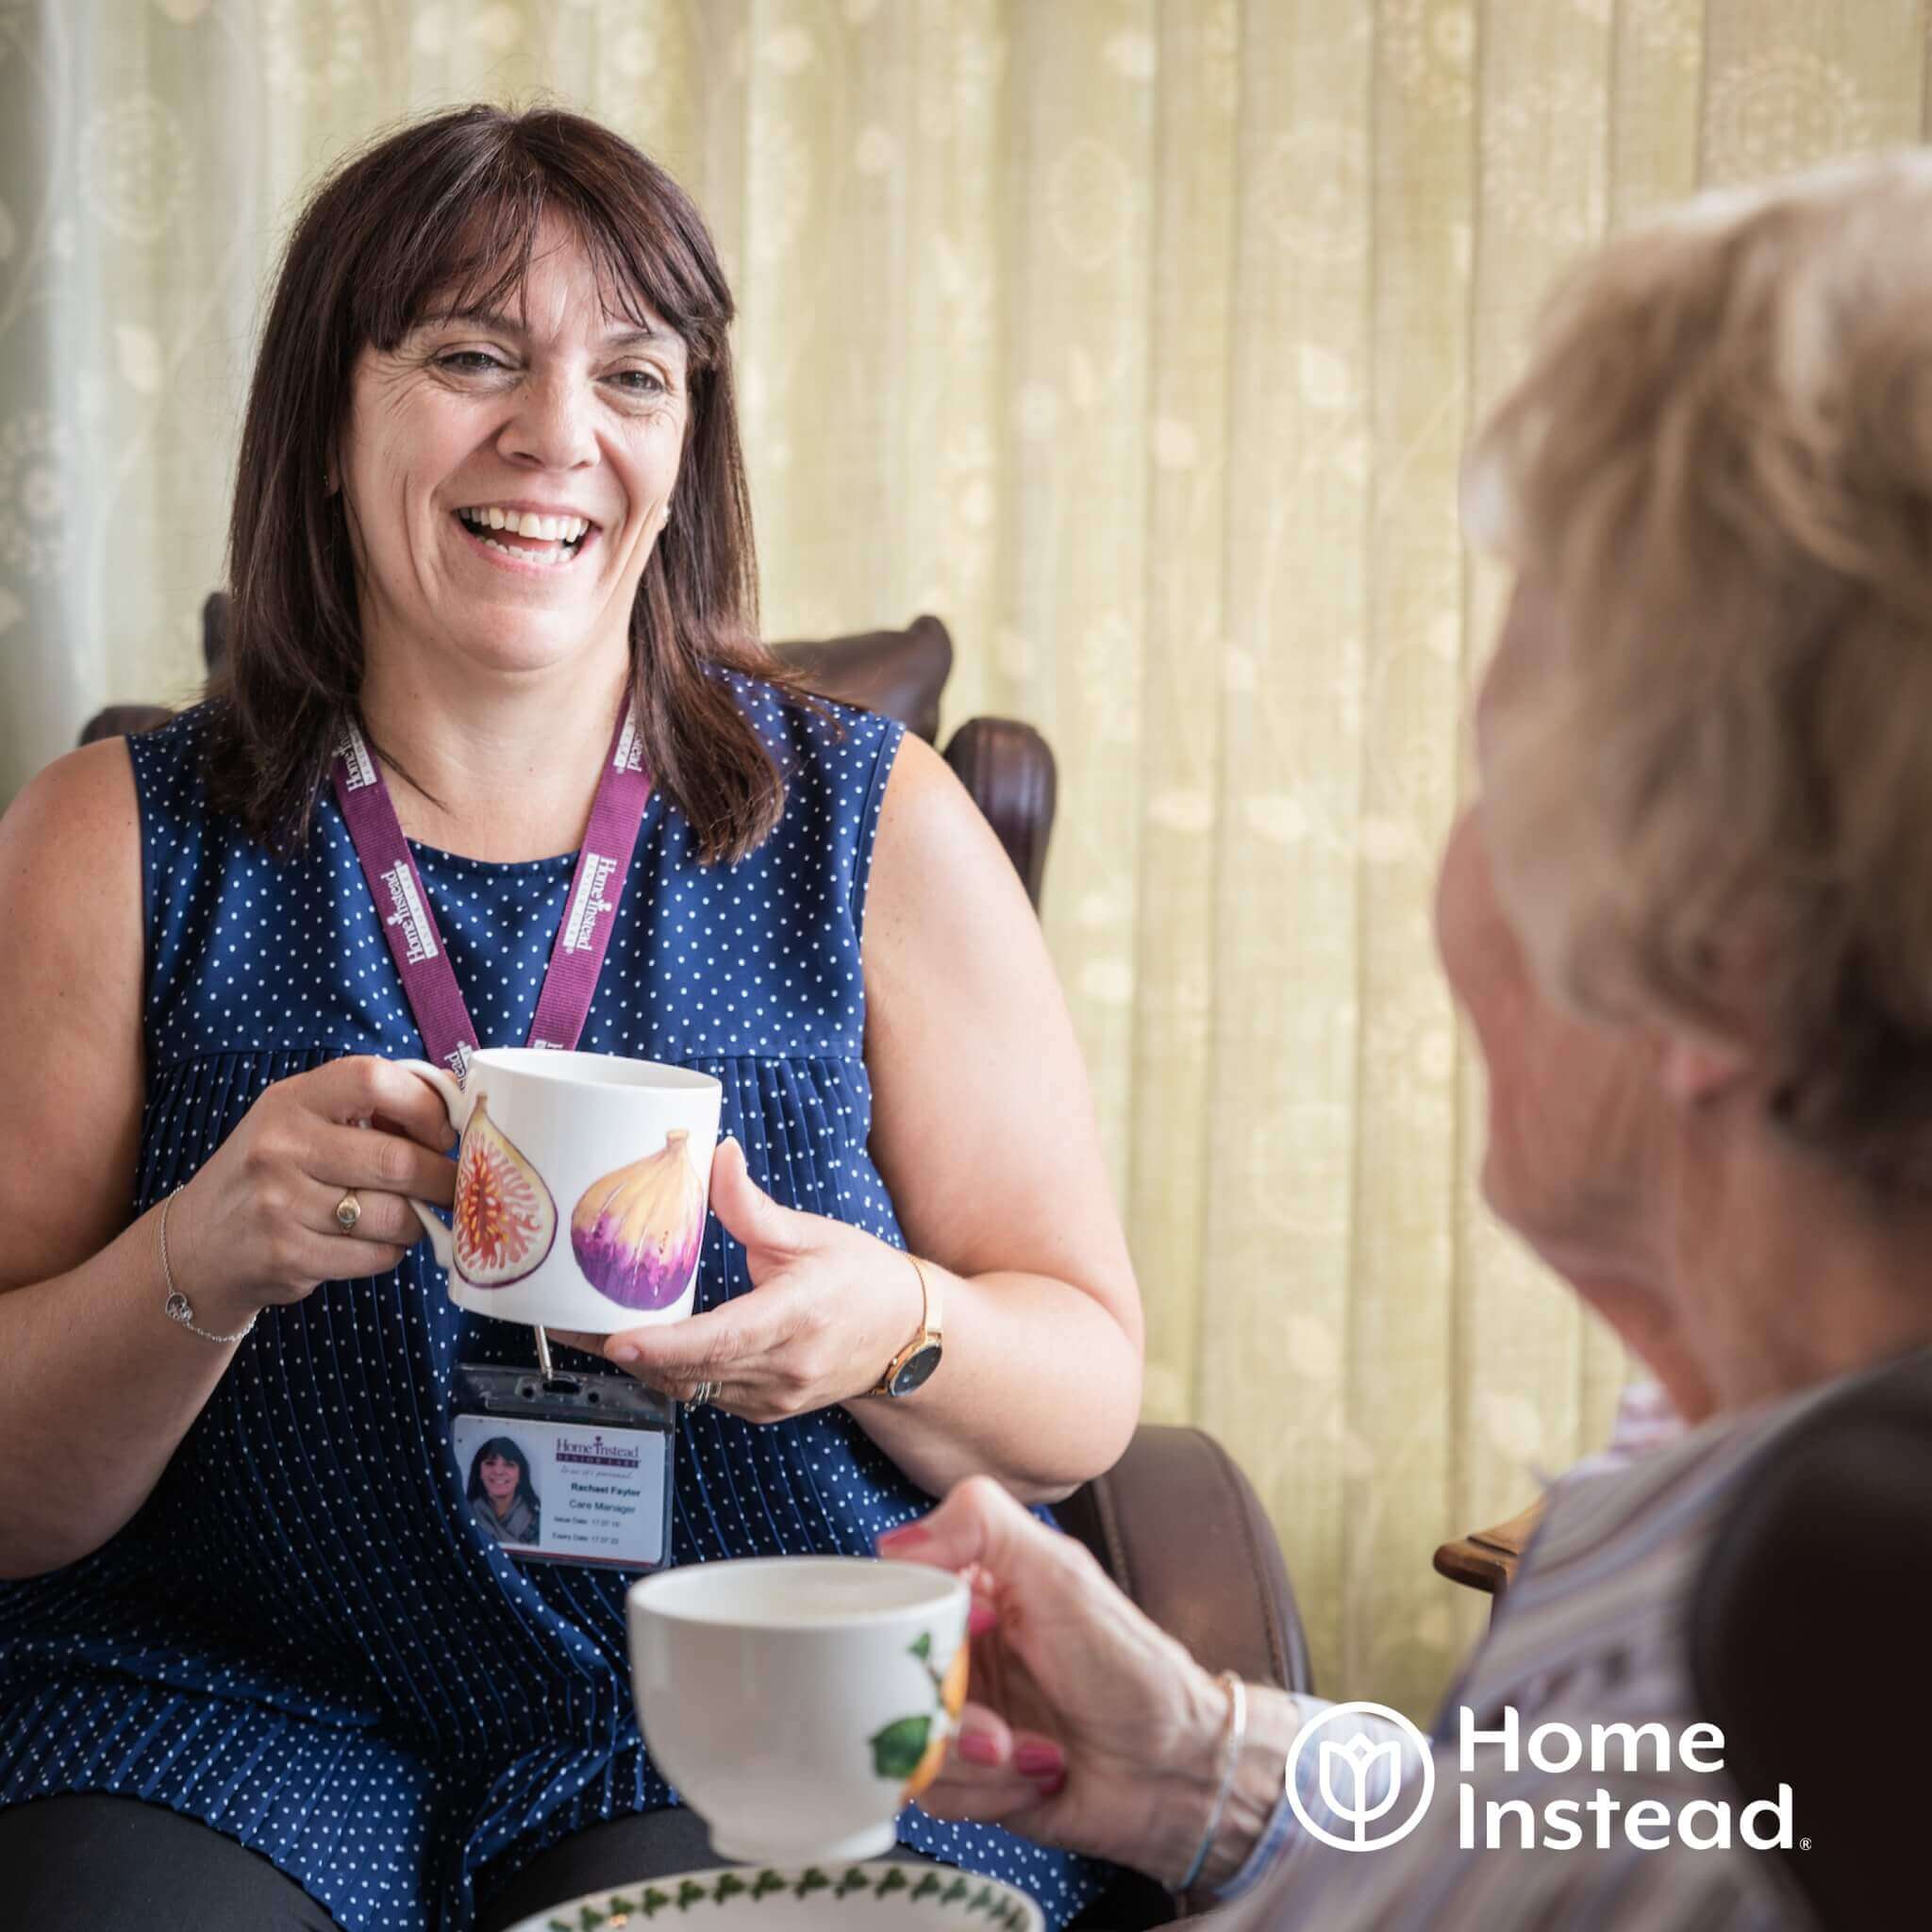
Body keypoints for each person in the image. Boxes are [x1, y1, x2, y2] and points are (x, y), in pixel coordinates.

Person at [0, 106, 1143, 1932]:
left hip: (749, 1682)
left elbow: (1083, 1388)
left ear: (684, 449)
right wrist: (194, 1258)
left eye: (633, 373)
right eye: (469, 356)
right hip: (216, 1695)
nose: (556, 436)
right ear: (324, 421)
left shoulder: (874, 821)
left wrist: (888, 1326)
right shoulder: (106, 843)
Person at [881, 153, 1932, 1928]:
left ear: (1721, 954)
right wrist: (1201, 1759)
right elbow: (1571, 1813)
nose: (1452, 879)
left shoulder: (1846, 1619)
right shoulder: (1738, 1456)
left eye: (1502, 776)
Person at [467, 1438, 541, 1546]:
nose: (498, 1471)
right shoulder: (463, 1516)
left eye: (509, 1464)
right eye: (490, 1463)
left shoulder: (540, 1524)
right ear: (479, 1472)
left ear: (521, 1475)